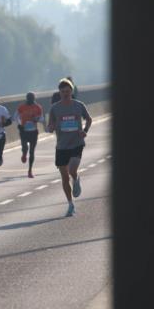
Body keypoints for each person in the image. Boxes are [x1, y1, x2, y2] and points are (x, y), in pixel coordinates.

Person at [47, 79, 93, 217]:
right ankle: (70, 204)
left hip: (76, 143)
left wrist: (85, 130)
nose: (65, 94)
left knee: (72, 169)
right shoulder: (55, 108)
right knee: (64, 177)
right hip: (61, 146)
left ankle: (76, 178)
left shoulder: (79, 105)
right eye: (63, 92)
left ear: (71, 91)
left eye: (68, 91)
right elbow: (50, 126)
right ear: (59, 93)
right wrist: (51, 127)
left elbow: (89, 119)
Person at [16, 92, 45, 178]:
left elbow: (42, 118)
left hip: (33, 131)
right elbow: (15, 117)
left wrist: (37, 119)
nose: (30, 100)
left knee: (32, 151)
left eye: (32, 98)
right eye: (29, 98)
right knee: (25, 147)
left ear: (34, 98)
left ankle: (30, 170)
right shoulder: (21, 107)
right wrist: (20, 124)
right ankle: (24, 153)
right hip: (24, 130)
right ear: (26, 98)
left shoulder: (38, 107)